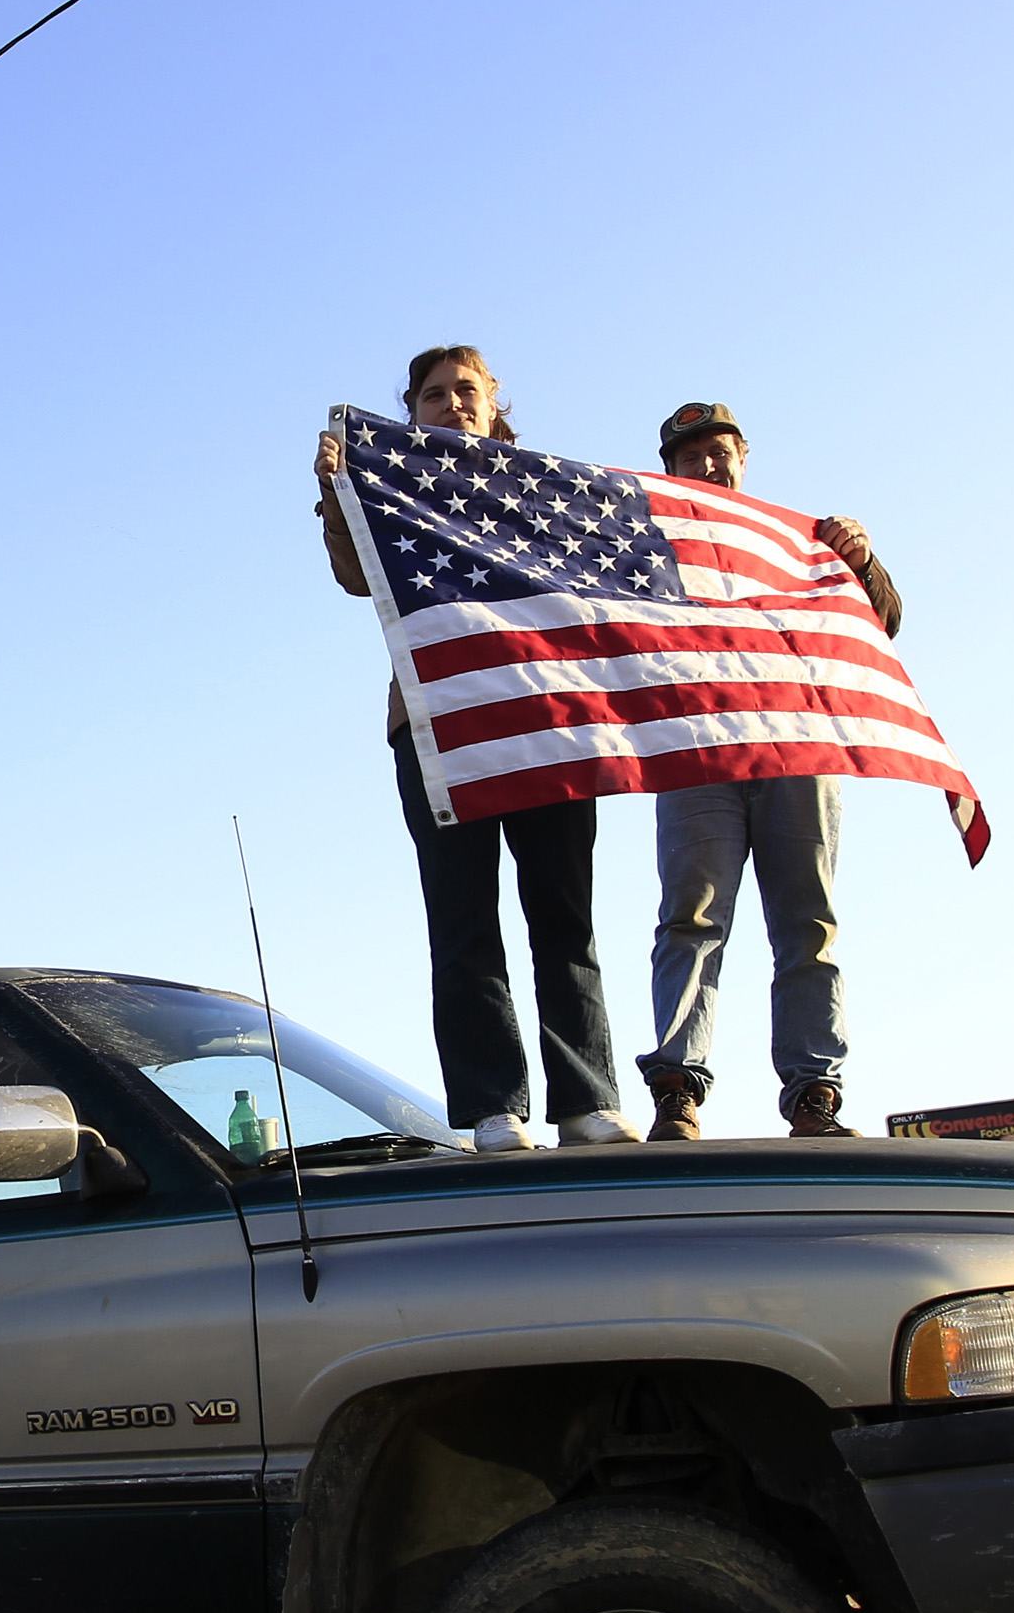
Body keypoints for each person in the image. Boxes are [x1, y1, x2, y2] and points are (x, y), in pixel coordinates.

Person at [314, 347, 632, 1151]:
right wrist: (337, 490)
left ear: (495, 406)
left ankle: (586, 1099)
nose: (452, 405)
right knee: (463, 919)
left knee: (564, 913)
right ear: (411, 413)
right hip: (436, 726)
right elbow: (360, 576)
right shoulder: (388, 485)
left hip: (546, 722)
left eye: (467, 392)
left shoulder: (545, 494)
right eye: (433, 395)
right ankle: (496, 1103)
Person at [634, 402, 904, 1141]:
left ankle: (815, 1092)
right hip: (700, 753)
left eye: (719, 451)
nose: (708, 465)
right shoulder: (653, 544)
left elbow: (880, 620)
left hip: (797, 747)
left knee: (807, 925)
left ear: (743, 456)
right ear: (672, 470)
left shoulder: (797, 542)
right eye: (692, 456)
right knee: (690, 918)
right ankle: (677, 1087)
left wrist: (862, 560)